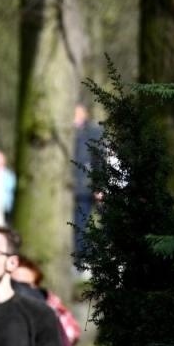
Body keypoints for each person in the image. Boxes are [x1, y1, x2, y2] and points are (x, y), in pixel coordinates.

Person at [73, 103, 105, 259]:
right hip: (74, 189)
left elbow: (100, 161)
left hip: (87, 187)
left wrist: (99, 187)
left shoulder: (94, 132)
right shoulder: (69, 132)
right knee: (78, 225)